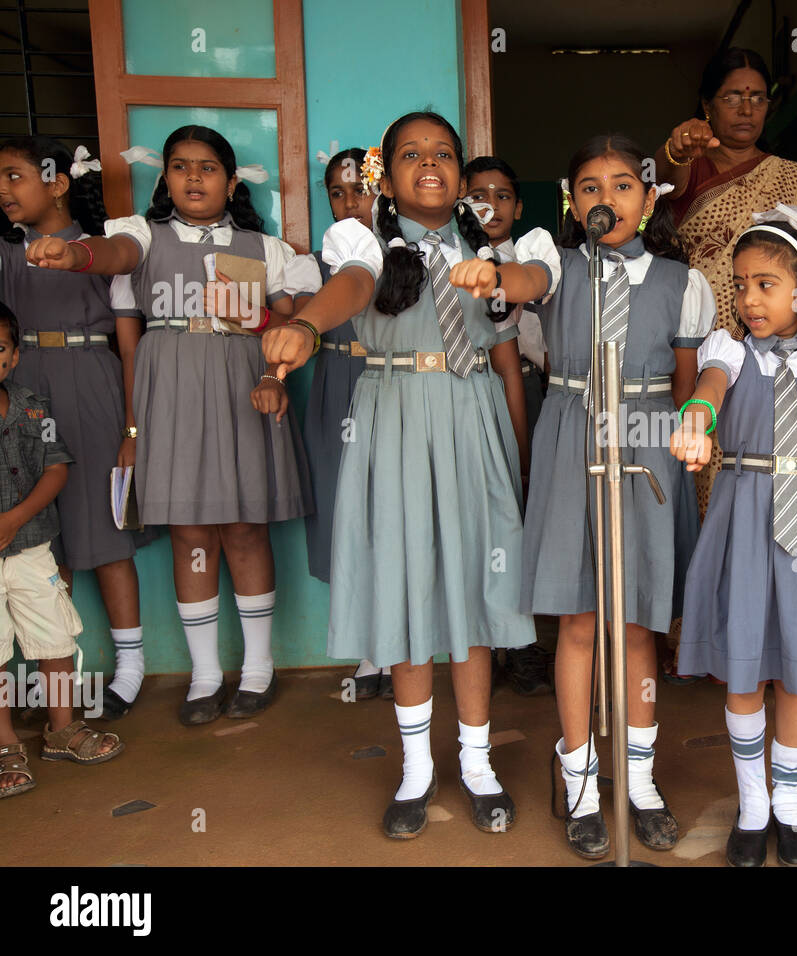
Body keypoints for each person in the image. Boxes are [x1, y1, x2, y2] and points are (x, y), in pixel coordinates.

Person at [263, 111, 536, 839]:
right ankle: (418, 769)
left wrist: (518, 452)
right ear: (385, 171)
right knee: (411, 594)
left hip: (473, 418)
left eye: (443, 153)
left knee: (476, 597)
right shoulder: (364, 239)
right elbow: (352, 286)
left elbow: (506, 357)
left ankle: (477, 763)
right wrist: (310, 326)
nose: (429, 163)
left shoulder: (489, 249)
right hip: (398, 417)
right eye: (410, 153)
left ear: (461, 171)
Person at [27, 125, 319, 725]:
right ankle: (205, 674)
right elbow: (125, 323)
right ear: (165, 179)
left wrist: (273, 376)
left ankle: (258, 668)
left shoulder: (263, 249)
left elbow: (288, 329)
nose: (193, 177)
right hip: (171, 400)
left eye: (208, 167)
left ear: (232, 181)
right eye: (180, 166)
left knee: (244, 528)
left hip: (246, 392)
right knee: (190, 533)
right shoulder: (142, 237)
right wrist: (77, 254)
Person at [502, 134, 711, 858]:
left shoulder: (682, 281)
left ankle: (640, 779)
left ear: (650, 200)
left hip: (650, 434)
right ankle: (581, 778)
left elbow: (688, 385)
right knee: (581, 620)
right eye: (588, 188)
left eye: (623, 186)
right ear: (571, 203)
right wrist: (498, 275)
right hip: (571, 435)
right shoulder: (555, 268)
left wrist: (680, 451)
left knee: (636, 624)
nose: (606, 199)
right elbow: (522, 285)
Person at [673, 207, 797, 866]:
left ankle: (790, 801)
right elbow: (710, 388)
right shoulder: (727, 352)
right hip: (743, 517)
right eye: (741, 284)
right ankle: (752, 804)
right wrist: (698, 412)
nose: (750, 299)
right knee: (745, 668)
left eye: (766, 285)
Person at [655, 49, 797, 680]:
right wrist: (677, 152)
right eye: (731, 95)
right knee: (715, 484)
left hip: (782, 354)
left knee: (777, 482)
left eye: (758, 96)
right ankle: (712, 630)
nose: (745, 107)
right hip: (710, 345)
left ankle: (771, 634)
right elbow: (653, 187)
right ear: (706, 105)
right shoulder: (686, 166)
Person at [0, 137, 147, 719]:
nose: (4, 190)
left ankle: (130, 667)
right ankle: (52, 680)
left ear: (57, 181)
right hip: (22, 388)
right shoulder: (6, 253)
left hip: (90, 383)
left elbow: (131, 347)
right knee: (37, 533)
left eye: (14, 176)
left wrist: (133, 429)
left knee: (103, 528)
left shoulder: (105, 249)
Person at [0, 302, 124, 798]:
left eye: (0, 349)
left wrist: (14, 518)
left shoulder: (32, 406)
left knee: (55, 641)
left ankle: (62, 729)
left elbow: (56, 469)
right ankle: (5, 743)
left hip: (30, 548)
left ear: (11, 358)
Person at [303, 148, 392, 702]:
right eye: (337, 192)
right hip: (338, 390)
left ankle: (396, 647)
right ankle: (368, 651)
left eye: (360, 188)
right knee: (346, 514)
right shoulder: (315, 263)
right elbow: (288, 317)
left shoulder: (406, 254)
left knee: (393, 513)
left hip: (392, 386)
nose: (350, 200)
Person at [465, 154, 552, 697]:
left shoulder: (536, 263)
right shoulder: (449, 258)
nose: (489, 204)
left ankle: (521, 645)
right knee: (480, 519)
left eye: (501, 194)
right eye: (478, 194)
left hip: (533, 392)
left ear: (518, 206)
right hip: (468, 391)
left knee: (524, 517)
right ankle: (483, 642)